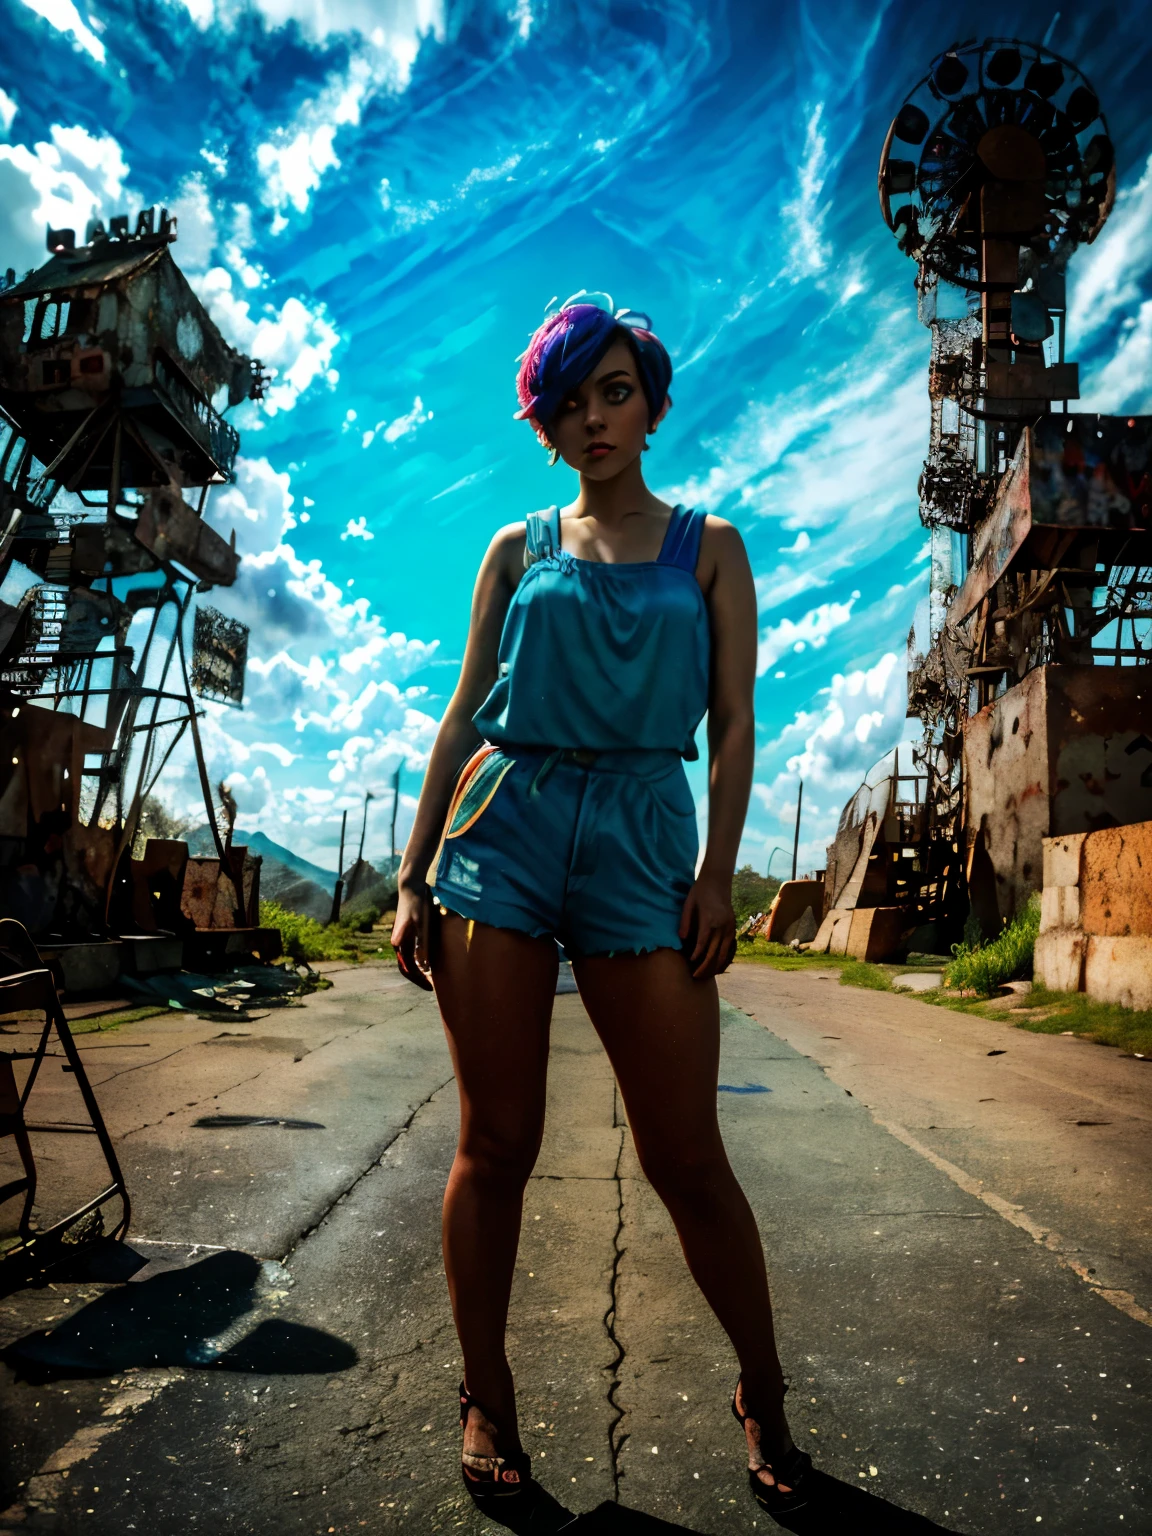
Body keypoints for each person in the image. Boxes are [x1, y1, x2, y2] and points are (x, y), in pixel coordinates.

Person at [391, 292, 813, 1521]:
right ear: (545, 420)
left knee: (687, 1155)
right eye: (570, 400)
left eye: (614, 390)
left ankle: (765, 1390)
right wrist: (415, 874)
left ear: (653, 400)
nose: (595, 417)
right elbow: (466, 712)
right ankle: (487, 1394)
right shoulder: (516, 550)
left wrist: (717, 874)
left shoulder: (711, 547)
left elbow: (733, 727)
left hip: (644, 838)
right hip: (503, 832)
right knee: (497, 1145)